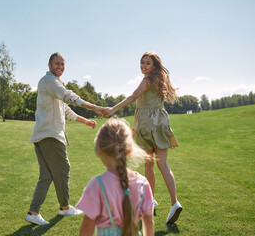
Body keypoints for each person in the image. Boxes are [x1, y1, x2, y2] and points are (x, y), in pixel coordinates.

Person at [25, 52, 105, 225]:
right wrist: (95, 107)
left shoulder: (55, 84)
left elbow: (66, 109)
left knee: (46, 175)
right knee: (63, 168)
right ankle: (65, 207)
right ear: (49, 65)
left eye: (62, 64)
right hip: (50, 135)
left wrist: (85, 121)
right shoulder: (49, 82)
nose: (60, 67)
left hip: (43, 135)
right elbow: (70, 97)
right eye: (57, 64)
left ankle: (33, 212)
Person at [104, 52, 182, 224]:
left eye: (147, 63)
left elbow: (133, 97)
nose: (143, 66)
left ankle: (150, 201)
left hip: (147, 125)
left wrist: (112, 110)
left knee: (149, 164)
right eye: (142, 63)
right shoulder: (161, 81)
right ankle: (174, 202)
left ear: (154, 65)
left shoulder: (147, 81)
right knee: (162, 163)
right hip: (162, 122)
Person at [77, 118, 154, 236]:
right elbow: (149, 222)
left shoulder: (97, 185)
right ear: (129, 150)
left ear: (100, 150)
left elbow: (87, 228)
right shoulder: (142, 183)